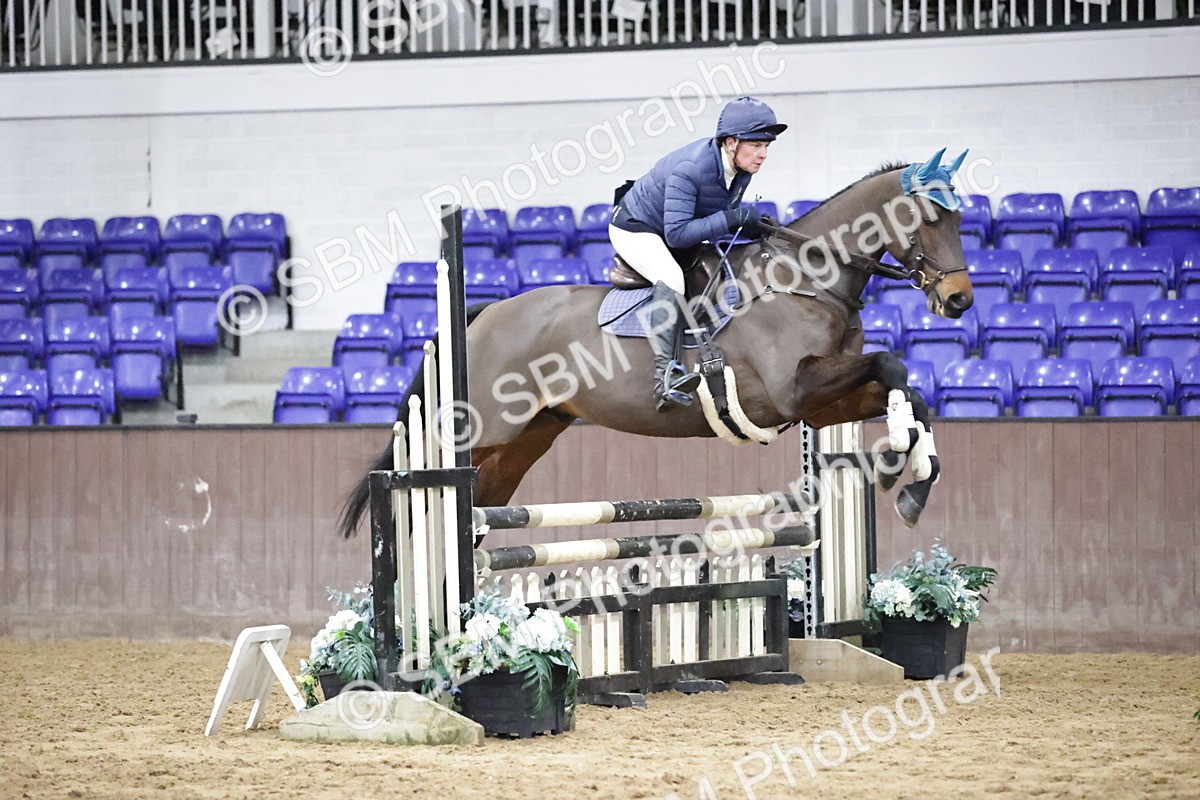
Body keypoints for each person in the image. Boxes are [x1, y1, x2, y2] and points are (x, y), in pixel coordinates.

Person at [609, 96, 787, 411]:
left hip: (668, 227)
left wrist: (746, 226)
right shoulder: (691, 169)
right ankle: (664, 376)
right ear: (731, 143)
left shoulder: (740, 167)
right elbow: (677, 235)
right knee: (672, 278)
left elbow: (712, 215)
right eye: (757, 145)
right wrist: (731, 219)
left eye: (767, 146)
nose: (764, 154)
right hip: (635, 228)